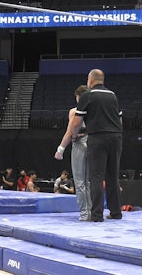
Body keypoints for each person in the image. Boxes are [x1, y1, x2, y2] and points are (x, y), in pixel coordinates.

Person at [69, 69, 123, 222]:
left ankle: (97, 215)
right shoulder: (113, 95)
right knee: (113, 176)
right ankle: (116, 212)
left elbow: (77, 122)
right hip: (116, 137)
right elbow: (120, 120)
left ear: (90, 80)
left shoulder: (88, 95)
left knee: (96, 177)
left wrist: (74, 136)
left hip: (98, 138)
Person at [54, 84, 91, 221]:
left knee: (80, 181)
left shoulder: (75, 111)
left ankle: (84, 213)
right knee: (88, 182)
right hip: (93, 144)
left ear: (78, 97)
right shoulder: (95, 110)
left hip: (80, 144)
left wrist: (60, 149)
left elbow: (70, 132)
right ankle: (92, 211)